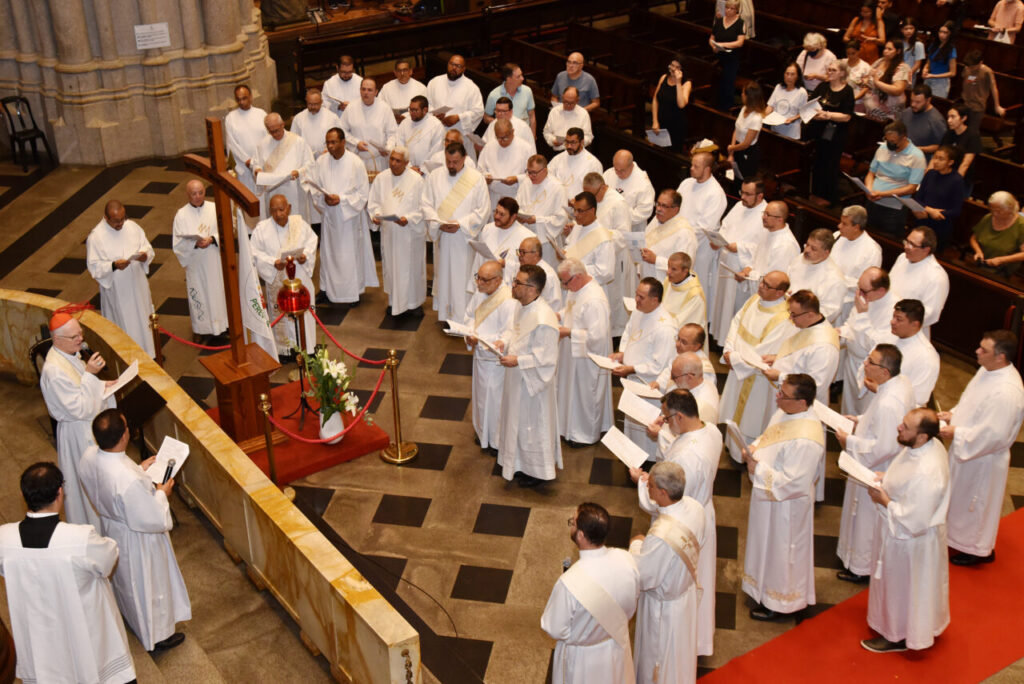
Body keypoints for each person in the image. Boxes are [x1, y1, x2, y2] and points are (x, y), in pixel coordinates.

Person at [0, 462, 135, 684]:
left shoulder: (4, 538)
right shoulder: (80, 538)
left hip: (38, 633)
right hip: (82, 627)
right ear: (60, 493)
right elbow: (108, 559)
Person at [79, 409, 190, 652]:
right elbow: (151, 517)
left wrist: (139, 470)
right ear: (123, 437)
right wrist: (162, 494)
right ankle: (158, 635)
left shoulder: (89, 456)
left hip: (113, 527)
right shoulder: (126, 478)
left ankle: (134, 618)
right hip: (138, 538)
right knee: (150, 583)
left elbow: (110, 484)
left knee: (128, 582)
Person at [862, 407, 949, 653]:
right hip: (903, 535)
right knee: (904, 588)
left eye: (906, 427)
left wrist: (884, 500)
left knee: (904, 589)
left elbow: (915, 519)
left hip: (911, 541)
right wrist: (885, 478)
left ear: (922, 436)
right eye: (902, 422)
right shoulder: (921, 447)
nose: (899, 428)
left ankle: (898, 635)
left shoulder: (927, 471)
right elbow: (905, 478)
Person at [741, 374, 824, 621]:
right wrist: (755, 447)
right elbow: (769, 436)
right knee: (765, 544)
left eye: (783, 395)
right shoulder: (785, 412)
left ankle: (781, 601)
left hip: (786, 506)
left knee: (782, 552)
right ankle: (762, 589)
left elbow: (795, 483)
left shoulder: (807, 438)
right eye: (779, 391)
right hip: (769, 499)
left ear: (802, 402)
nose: (777, 398)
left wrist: (760, 470)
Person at [834, 344, 915, 582]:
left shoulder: (891, 401)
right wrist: (859, 420)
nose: (865, 365)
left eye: (870, 362)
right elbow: (879, 420)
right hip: (879, 460)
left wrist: (849, 441)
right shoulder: (897, 384)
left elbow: (885, 445)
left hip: (877, 468)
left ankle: (862, 567)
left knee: (866, 518)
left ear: (885, 372)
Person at [944, 331, 1024, 566]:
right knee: (960, 498)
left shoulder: (1007, 391)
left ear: (1000, 357)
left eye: (984, 350)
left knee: (976, 504)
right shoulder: (987, 370)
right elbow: (971, 400)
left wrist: (956, 432)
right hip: (967, 448)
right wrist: (953, 416)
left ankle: (979, 549)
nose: (977, 352)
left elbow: (994, 434)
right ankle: (959, 539)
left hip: (983, 458)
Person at [541, 502, 639, 683]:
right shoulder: (626, 560)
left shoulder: (569, 583)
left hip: (582, 660)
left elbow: (553, 628)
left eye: (573, 522)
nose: (571, 524)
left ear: (580, 535)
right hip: (615, 646)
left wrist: (580, 634)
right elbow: (631, 603)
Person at [629, 461, 706, 681]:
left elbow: (644, 576)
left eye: (650, 486)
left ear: (663, 492)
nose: (648, 488)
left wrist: (636, 543)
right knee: (679, 657)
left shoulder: (661, 535)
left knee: (659, 661)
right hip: (684, 597)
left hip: (662, 609)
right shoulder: (694, 506)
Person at [39, 310, 115, 528]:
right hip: (78, 435)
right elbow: (79, 408)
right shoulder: (54, 371)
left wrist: (103, 384)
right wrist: (91, 374)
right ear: (57, 339)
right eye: (74, 337)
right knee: (87, 489)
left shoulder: (70, 355)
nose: (80, 340)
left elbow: (81, 387)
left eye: (80, 334)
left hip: (87, 427)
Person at [496, 264, 562, 486]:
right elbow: (514, 332)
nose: (512, 286)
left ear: (533, 289)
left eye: (518, 283)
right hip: (516, 380)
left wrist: (518, 360)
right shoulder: (521, 306)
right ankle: (515, 462)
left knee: (531, 426)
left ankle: (536, 472)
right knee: (515, 421)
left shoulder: (544, 319)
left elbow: (547, 359)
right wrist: (503, 343)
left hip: (533, 384)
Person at [719, 271, 793, 454]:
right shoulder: (754, 299)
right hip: (737, 363)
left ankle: (746, 453)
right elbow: (736, 323)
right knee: (732, 409)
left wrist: (734, 359)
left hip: (756, 377)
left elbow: (764, 353)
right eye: (762, 281)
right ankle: (731, 446)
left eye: (767, 286)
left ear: (780, 292)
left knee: (750, 419)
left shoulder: (784, 318)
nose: (761, 286)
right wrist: (728, 350)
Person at [612, 278, 685, 460]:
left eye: (641, 297)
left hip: (648, 385)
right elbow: (629, 332)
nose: (636, 300)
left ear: (655, 300)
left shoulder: (665, 328)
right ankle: (632, 458)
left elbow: (659, 364)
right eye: (637, 294)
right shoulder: (640, 311)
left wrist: (630, 368)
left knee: (646, 427)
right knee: (632, 423)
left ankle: (648, 462)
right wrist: (622, 353)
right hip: (633, 380)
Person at [423, 141, 491, 322]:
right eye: (448, 161)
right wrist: (438, 223)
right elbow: (426, 204)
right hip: (444, 237)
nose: (451, 166)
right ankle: (446, 315)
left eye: (455, 162)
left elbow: (483, 210)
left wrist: (460, 224)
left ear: (465, 159)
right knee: (444, 276)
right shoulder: (435, 176)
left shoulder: (476, 179)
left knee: (463, 278)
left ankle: (463, 318)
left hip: (464, 239)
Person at [307, 127, 374, 306]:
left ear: (343, 142)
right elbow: (314, 187)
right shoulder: (321, 162)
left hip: (349, 220)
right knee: (329, 254)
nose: (330, 146)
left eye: (334, 142)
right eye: (327, 142)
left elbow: (363, 193)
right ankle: (327, 289)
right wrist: (323, 199)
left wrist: (341, 200)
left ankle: (352, 293)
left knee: (348, 256)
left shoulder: (356, 163)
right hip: (330, 219)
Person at [86, 200, 156, 357]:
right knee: (125, 323)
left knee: (144, 317)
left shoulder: (132, 227)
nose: (121, 224)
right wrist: (114, 266)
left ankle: (150, 351)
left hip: (138, 284)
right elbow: (94, 267)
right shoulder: (96, 237)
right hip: (118, 290)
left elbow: (148, 248)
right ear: (106, 217)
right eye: (116, 221)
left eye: (123, 218)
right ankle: (129, 357)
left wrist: (144, 256)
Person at [250, 194, 318, 354]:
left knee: (304, 315)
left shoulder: (299, 224)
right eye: (273, 211)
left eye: (281, 209)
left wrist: (305, 256)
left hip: (300, 277)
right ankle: (286, 350)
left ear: (289, 208)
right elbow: (253, 252)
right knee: (281, 316)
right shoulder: (262, 229)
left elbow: (312, 240)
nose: (278, 214)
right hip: (277, 279)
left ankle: (307, 349)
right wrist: (273, 262)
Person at [556, 258, 613, 447]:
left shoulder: (594, 300)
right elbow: (573, 311)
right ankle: (570, 428)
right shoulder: (577, 288)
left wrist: (569, 332)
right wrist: (560, 315)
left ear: (578, 276)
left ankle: (585, 434)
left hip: (588, 358)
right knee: (571, 392)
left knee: (585, 395)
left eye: (566, 282)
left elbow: (597, 337)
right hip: (573, 354)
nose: (564, 287)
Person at [463, 261, 517, 453]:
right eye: (478, 278)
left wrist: (481, 339)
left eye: (485, 280)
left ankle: (495, 440)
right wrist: (469, 334)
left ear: (498, 280)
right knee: (480, 398)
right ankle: (481, 431)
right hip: (479, 358)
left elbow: (508, 334)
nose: (479, 284)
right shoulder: (481, 293)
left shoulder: (508, 301)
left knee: (495, 401)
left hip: (495, 362)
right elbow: (469, 316)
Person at [762, 290, 840, 419]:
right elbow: (800, 356)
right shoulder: (810, 326)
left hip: (800, 410)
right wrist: (777, 359)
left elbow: (815, 385)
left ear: (809, 314)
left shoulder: (824, 346)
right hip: (785, 397)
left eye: (794, 314)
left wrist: (780, 376)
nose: (791, 318)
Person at [368, 147, 426, 317]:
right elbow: (374, 203)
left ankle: (414, 304)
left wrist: (408, 218)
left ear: (407, 163)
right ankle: (394, 302)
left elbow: (423, 208)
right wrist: (376, 216)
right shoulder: (381, 178)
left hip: (409, 233)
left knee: (411, 268)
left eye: (398, 160)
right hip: (390, 233)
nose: (393, 163)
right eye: (391, 159)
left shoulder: (416, 181)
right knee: (391, 268)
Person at [171, 180, 228, 340]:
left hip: (214, 260)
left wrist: (212, 238)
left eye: (200, 192)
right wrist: (194, 243)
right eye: (193, 194)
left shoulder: (215, 208)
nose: (197, 197)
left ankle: (222, 326)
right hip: (195, 263)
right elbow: (177, 244)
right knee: (200, 294)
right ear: (187, 194)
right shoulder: (181, 215)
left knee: (219, 292)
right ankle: (202, 329)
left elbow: (228, 229)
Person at [711, 177, 766, 340]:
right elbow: (726, 226)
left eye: (749, 194)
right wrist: (718, 240)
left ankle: (729, 341)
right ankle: (718, 337)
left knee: (734, 307)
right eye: (742, 192)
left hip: (742, 267)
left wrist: (739, 247)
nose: (743, 197)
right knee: (721, 303)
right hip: (726, 261)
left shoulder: (766, 215)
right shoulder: (739, 206)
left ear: (760, 196)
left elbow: (761, 246)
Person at [676, 151, 727, 319]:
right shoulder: (686, 183)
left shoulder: (715, 193)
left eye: (695, 166)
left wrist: (681, 235)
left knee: (698, 286)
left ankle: (696, 320)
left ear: (707, 169)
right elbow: (676, 208)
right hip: (680, 240)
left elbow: (705, 227)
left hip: (701, 248)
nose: (691, 169)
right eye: (692, 164)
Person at [838, 267, 897, 414]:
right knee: (848, 407)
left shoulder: (894, 311)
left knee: (864, 411)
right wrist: (839, 333)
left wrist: (863, 314)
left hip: (871, 369)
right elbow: (852, 325)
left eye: (863, 290)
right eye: (858, 287)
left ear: (881, 291)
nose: (859, 293)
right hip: (852, 361)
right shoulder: (866, 296)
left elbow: (879, 346)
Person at [582, 173, 632, 335]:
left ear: (603, 188)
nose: (590, 198)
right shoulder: (595, 199)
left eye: (593, 194)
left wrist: (599, 234)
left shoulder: (618, 203)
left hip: (613, 258)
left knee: (613, 297)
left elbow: (623, 235)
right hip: (593, 254)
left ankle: (613, 333)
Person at [864, 120, 926, 237]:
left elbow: (911, 188)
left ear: (903, 138)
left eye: (893, 141)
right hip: (872, 201)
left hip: (894, 208)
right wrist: (869, 189)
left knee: (887, 239)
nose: (889, 144)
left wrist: (883, 194)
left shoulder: (917, 156)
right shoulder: (882, 149)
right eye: (887, 140)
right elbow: (871, 173)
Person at [807, 60, 855, 206]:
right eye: (829, 70)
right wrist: (816, 114)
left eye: (833, 70)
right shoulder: (823, 87)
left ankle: (827, 197)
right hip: (817, 130)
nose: (829, 72)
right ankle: (814, 192)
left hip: (835, 133)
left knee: (829, 164)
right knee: (816, 162)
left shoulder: (847, 91)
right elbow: (810, 105)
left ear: (842, 73)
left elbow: (847, 116)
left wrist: (828, 115)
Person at [253, 112, 315, 221]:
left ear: (282, 125)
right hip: (272, 190)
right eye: (271, 131)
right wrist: (257, 169)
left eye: (276, 130)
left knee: (294, 222)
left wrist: (298, 172)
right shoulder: (263, 144)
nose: (274, 134)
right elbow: (256, 162)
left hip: (293, 189)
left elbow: (310, 164)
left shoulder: (298, 142)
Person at [889, 226, 949, 336]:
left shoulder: (937, 276)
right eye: (906, 241)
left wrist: (899, 320)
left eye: (912, 244)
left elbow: (930, 314)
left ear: (926, 250)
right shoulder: (902, 258)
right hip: (888, 321)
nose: (906, 247)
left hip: (909, 332)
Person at [224, 84, 268, 231]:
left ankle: (265, 229)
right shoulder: (231, 118)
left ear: (251, 97)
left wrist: (260, 161)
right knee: (248, 200)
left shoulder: (261, 114)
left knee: (262, 200)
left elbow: (267, 138)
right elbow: (232, 144)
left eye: (244, 98)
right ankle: (249, 232)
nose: (242, 102)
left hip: (261, 166)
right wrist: (247, 161)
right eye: (238, 99)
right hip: (244, 168)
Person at [831, 205, 882, 323]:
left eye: (844, 224)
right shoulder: (837, 236)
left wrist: (837, 280)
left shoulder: (872, 251)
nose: (839, 226)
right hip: (826, 294)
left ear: (856, 227)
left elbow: (866, 285)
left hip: (847, 303)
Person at [517, 155, 569, 269]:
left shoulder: (557, 188)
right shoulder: (526, 183)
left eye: (534, 173)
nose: (531, 176)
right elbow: (518, 204)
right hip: (525, 238)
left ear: (545, 170)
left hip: (546, 243)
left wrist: (537, 220)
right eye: (528, 172)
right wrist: (519, 215)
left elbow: (561, 218)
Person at [339, 77, 398, 180]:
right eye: (363, 89)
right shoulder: (351, 107)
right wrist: (356, 143)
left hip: (379, 159)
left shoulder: (384, 108)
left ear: (376, 92)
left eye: (370, 90)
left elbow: (392, 133)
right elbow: (341, 131)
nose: (366, 93)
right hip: (357, 159)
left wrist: (388, 149)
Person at [563, 191, 616, 304]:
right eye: (575, 210)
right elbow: (569, 246)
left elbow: (605, 272)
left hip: (591, 293)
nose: (576, 214)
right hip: (573, 286)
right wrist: (564, 253)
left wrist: (576, 269)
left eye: (580, 211)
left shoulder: (603, 237)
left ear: (592, 210)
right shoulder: (578, 227)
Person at [786, 229, 847, 325]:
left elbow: (829, 312)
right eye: (807, 244)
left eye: (813, 249)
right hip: (786, 313)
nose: (807, 250)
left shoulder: (835, 280)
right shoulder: (800, 259)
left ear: (826, 253)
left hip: (806, 326)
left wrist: (799, 314)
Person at [469, 197, 534, 284]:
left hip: (507, 287)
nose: (496, 216)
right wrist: (475, 281)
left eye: (502, 214)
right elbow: (479, 258)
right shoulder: (487, 229)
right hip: (484, 283)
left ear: (513, 217)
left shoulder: (527, 237)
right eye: (496, 211)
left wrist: (506, 264)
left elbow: (529, 268)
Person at [912, 145, 966, 250]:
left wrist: (938, 213)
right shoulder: (930, 174)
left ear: (950, 162)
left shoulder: (957, 181)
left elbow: (956, 210)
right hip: (922, 219)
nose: (936, 161)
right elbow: (918, 198)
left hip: (940, 225)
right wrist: (929, 210)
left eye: (941, 159)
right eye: (935, 157)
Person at [738, 201, 800, 291]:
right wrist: (748, 268)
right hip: (756, 288)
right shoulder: (767, 231)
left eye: (768, 215)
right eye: (764, 213)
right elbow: (757, 258)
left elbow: (775, 281)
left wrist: (749, 273)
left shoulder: (786, 245)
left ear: (780, 219)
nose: (763, 217)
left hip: (769, 294)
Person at [889, 299, 941, 406]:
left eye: (899, 319)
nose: (892, 322)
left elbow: (917, 399)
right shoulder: (891, 335)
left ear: (915, 324)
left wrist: (881, 389)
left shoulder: (927, 358)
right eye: (893, 317)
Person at [640, 189, 695, 283]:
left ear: (675, 209)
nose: (658, 209)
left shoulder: (684, 233)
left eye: (664, 206)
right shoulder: (655, 221)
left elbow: (683, 268)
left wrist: (656, 260)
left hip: (666, 284)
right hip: (646, 278)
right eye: (658, 204)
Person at [425, 54, 484, 139]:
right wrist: (434, 113)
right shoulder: (435, 82)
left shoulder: (471, 88)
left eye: (458, 66)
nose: (454, 68)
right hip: (437, 132)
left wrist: (458, 117)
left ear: (464, 69)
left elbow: (478, 111)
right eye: (451, 64)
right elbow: (427, 103)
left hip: (459, 135)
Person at [478, 120, 532, 211]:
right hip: (493, 195)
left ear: (513, 132)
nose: (502, 141)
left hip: (515, 195)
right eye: (499, 138)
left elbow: (532, 174)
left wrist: (517, 179)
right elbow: (479, 169)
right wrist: (486, 177)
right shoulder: (489, 146)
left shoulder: (526, 148)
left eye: (505, 138)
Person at [652, 324, 718, 393]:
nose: (677, 344)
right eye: (678, 339)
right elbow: (668, 372)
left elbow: (700, 396)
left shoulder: (704, 371)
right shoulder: (682, 354)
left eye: (683, 342)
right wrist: (658, 384)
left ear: (696, 346)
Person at [969, 191, 1024, 271]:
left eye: (999, 211)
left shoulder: (1021, 225)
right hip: (980, 266)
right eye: (992, 209)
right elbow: (973, 239)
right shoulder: (988, 218)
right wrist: (978, 252)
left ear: (1010, 209)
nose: (994, 214)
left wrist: (1001, 260)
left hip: (1004, 272)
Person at [603, 150, 656, 233]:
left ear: (631, 166)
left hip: (632, 230)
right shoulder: (609, 174)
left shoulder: (643, 184)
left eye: (622, 171)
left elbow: (644, 212)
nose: (618, 173)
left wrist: (619, 218)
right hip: (608, 225)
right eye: (616, 169)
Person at [960, 50, 1006, 137]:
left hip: (978, 106)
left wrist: (997, 105)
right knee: (962, 129)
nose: (970, 69)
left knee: (973, 131)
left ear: (980, 63)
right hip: (966, 103)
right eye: (969, 67)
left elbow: (993, 88)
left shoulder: (987, 72)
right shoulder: (967, 68)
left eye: (973, 67)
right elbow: (967, 80)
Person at [393, 95, 445, 172]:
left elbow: (436, 151)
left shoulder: (436, 125)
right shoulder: (404, 123)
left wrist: (422, 169)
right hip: (407, 169)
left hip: (428, 171)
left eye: (415, 110)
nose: (411, 113)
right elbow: (400, 146)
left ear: (425, 110)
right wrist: (409, 166)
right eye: (410, 110)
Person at [710, 0, 746, 110]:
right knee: (716, 83)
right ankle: (715, 104)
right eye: (727, 8)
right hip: (719, 56)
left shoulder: (740, 23)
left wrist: (723, 44)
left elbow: (740, 42)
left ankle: (726, 108)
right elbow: (711, 38)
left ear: (736, 10)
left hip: (731, 59)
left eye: (732, 9)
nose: (728, 10)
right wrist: (714, 46)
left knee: (728, 84)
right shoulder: (719, 21)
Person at [650, 56, 691, 153]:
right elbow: (656, 99)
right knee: (656, 152)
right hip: (660, 122)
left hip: (676, 126)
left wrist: (678, 82)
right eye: (672, 65)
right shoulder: (663, 77)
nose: (673, 69)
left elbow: (681, 104)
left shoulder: (686, 83)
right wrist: (655, 121)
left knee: (671, 154)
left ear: (682, 70)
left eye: (677, 67)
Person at [939, 102, 981, 195]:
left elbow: (965, 164)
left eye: (953, 117)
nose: (949, 120)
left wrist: (953, 184)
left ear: (963, 118)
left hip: (962, 179)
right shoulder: (949, 133)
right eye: (948, 117)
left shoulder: (972, 136)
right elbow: (937, 156)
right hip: (945, 174)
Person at [510, 237, 562, 311]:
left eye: (523, 252)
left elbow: (553, 306)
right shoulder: (523, 268)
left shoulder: (548, 276)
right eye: (519, 252)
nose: (519, 256)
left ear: (536, 254)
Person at [484, 62, 536, 135]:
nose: (522, 78)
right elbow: (486, 117)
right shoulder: (494, 95)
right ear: (509, 79)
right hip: (503, 136)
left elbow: (532, 116)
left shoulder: (527, 91)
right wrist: (498, 122)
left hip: (523, 135)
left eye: (522, 75)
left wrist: (533, 136)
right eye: (518, 76)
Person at [727, 82, 766, 180]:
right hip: (736, 148)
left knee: (743, 180)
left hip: (747, 153)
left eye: (744, 93)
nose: (741, 94)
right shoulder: (744, 108)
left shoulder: (756, 118)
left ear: (749, 97)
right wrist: (731, 153)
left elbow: (746, 144)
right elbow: (736, 130)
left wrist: (732, 148)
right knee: (733, 180)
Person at [549, 128, 602, 199]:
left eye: (573, 142)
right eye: (567, 142)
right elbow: (548, 179)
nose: (569, 146)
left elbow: (596, 191)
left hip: (580, 206)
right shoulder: (557, 159)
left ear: (582, 142)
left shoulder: (593, 163)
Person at [660, 252, 706, 334]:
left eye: (673, 269)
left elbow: (682, 324)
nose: (668, 272)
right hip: (663, 327)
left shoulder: (694, 295)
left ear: (685, 271)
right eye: (668, 267)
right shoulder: (668, 281)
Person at [865, 39, 911, 120]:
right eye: (885, 48)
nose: (885, 51)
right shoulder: (880, 61)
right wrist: (866, 80)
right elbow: (868, 74)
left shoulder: (902, 68)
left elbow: (897, 90)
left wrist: (877, 82)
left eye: (890, 49)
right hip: (873, 103)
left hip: (891, 106)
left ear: (898, 51)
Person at [900, 84, 947, 160]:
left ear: (928, 100)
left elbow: (941, 146)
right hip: (901, 153)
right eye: (912, 100)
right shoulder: (907, 112)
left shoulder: (936, 120)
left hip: (920, 159)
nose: (913, 104)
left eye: (918, 102)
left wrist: (918, 149)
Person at [290, 88, 341, 156]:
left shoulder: (332, 118)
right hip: (306, 158)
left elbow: (339, 138)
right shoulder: (298, 119)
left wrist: (330, 150)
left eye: (316, 104)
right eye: (310, 104)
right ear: (306, 101)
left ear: (321, 102)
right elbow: (293, 140)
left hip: (327, 156)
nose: (313, 107)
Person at [766, 62, 808, 140]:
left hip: (791, 133)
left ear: (797, 76)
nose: (789, 77)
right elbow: (770, 106)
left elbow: (804, 112)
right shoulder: (778, 87)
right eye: (787, 74)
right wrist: (762, 116)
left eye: (792, 74)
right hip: (775, 129)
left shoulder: (802, 92)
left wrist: (793, 118)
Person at [544, 87, 594, 153]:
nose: (568, 105)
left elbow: (588, 137)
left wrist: (577, 143)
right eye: (565, 102)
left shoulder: (583, 114)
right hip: (557, 151)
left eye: (571, 103)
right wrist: (553, 141)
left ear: (577, 100)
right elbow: (547, 132)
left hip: (576, 152)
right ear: (562, 98)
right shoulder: (554, 111)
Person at [922, 22, 957, 99]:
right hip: (929, 78)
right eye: (940, 32)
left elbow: (953, 73)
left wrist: (934, 75)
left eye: (945, 32)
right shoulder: (934, 45)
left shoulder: (951, 49)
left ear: (950, 34)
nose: (941, 34)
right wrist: (925, 69)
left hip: (941, 82)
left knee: (936, 103)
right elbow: (928, 62)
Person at [845, 40, 872, 107]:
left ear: (859, 51)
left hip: (857, 101)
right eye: (848, 53)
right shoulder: (842, 63)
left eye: (853, 53)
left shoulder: (865, 67)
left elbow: (866, 87)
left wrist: (854, 99)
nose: (850, 56)